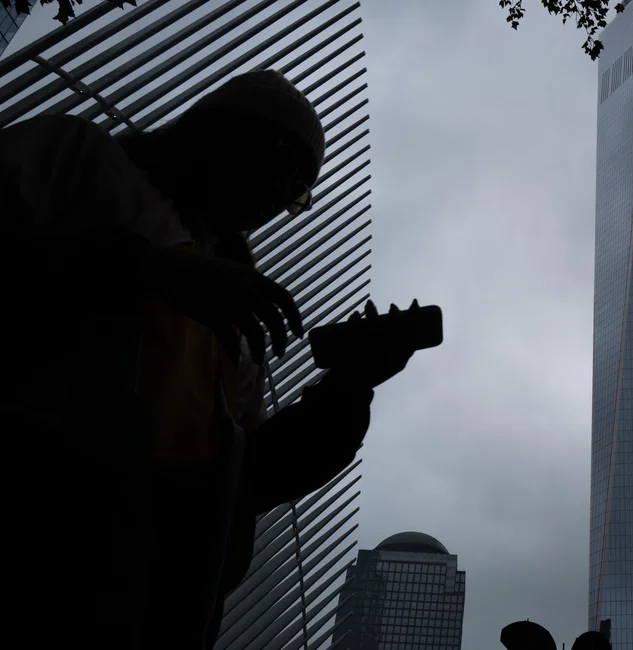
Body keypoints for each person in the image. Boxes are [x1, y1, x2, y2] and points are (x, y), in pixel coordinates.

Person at [0, 70, 413, 648]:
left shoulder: (235, 316)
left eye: (298, 189)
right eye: (282, 164)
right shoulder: (74, 159)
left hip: (152, 601)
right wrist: (146, 270)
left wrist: (348, 388)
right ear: (218, 129)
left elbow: (242, 479)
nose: (279, 195)